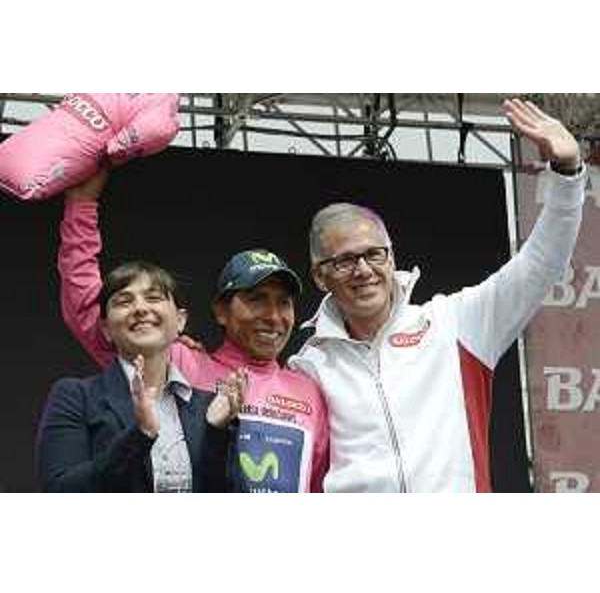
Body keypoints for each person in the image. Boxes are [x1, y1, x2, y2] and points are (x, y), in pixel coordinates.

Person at [288, 98, 587, 492]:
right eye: (344, 261)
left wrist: (567, 174)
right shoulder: (309, 364)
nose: (363, 270)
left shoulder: (454, 323)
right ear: (320, 275)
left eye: (374, 254)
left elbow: (539, 265)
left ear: (391, 257)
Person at [57, 174, 329, 493]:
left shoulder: (310, 391)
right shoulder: (181, 364)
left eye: (283, 302)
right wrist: (81, 206)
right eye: (256, 299)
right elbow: (91, 310)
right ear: (221, 311)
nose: (273, 316)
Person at [37, 260, 245, 492]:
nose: (140, 308)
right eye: (124, 301)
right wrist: (140, 436)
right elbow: (60, 492)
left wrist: (216, 435)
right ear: (106, 329)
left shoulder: (210, 408)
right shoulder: (76, 396)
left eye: (154, 298)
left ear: (180, 320)